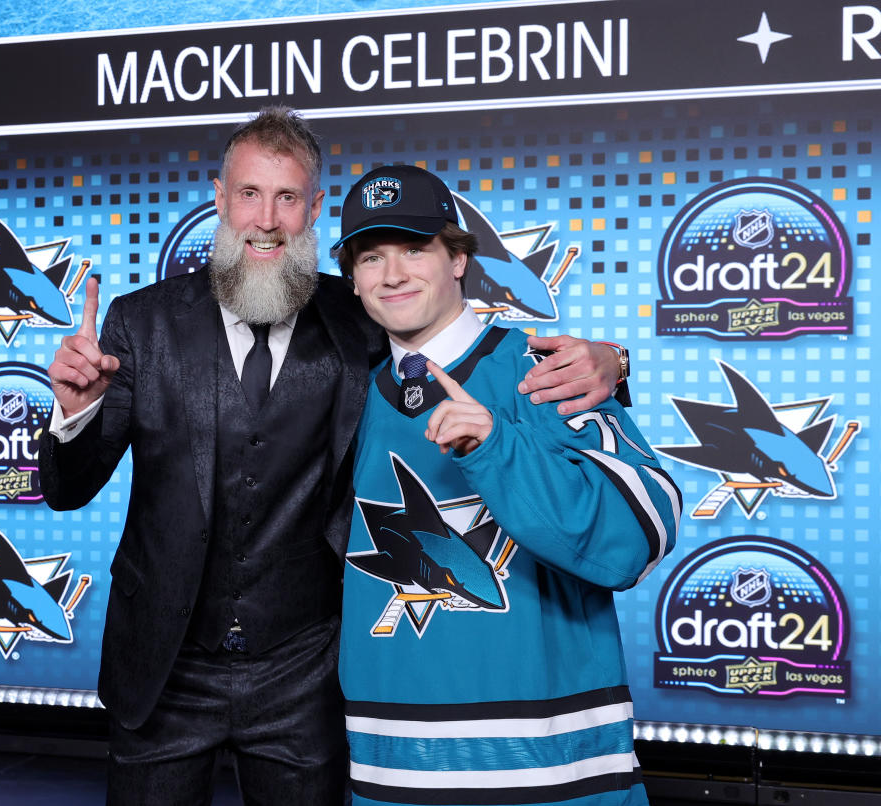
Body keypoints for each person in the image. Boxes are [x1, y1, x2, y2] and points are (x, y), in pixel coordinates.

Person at [39, 107, 626, 806]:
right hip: (164, 667)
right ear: (220, 199)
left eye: (288, 198)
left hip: (304, 672)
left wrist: (613, 360)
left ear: (313, 209)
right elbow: (68, 489)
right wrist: (75, 412)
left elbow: (455, 327)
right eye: (249, 194)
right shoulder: (141, 322)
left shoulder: (362, 312)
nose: (266, 218)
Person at [333, 164, 681, 806]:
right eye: (371, 256)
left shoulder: (547, 370)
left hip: (548, 770)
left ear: (458, 259)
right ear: (351, 281)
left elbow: (638, 535)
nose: (393, 274)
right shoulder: (343, 391)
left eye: (417, 248)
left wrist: (499, 449)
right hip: (391, 773)